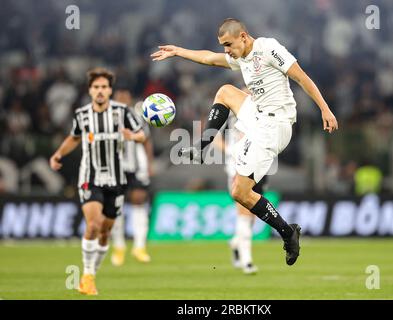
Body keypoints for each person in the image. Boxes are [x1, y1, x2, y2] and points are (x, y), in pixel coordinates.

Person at [151, 18, 338, 266]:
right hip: (258, 117)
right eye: (223, 45)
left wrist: (325, 109)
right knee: (226, 91)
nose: (226, 50)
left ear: (243, 36)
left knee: (240, 192)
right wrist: (178, 51)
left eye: (228, 44)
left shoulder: (268, 48)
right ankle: (202, 146)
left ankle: (287, 232)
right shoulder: (240, 57)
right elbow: (208, 58)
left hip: (275, 125)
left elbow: (301, 78)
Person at [49, 68, 146, 295]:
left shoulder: (123, 112)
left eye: (104, 87)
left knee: (105, 232)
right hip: (89, 178)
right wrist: (58, 154)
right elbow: (74, 137)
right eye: (96, 87)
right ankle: (88, 276)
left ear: (110, 90)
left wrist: (133, 136)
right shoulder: (82, 115)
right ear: (90, 90)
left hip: (116, 179)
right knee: (92, 225)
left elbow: (141, 134)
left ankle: (91, 274)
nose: (100, 91)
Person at [214, 112, 266, 275]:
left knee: (251, 217)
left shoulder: (262, 113)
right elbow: (214, 138)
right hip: (236, 170)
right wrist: (232, 150)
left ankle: (236, 242)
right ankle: (247, 261)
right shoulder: (230, 117)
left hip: (259, 169)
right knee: (243, 214)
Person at [110, 89, 155, 266]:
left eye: (125, 96)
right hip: (116, 166)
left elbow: (147, 140)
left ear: (129, 97)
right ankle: (119, 246)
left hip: (137, 166)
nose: (122, 99)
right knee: (116, 205)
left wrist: (149, 164)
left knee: (139, 200)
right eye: (119, 96)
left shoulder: (138, 115)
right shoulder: (107, 116)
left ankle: (139, 246)